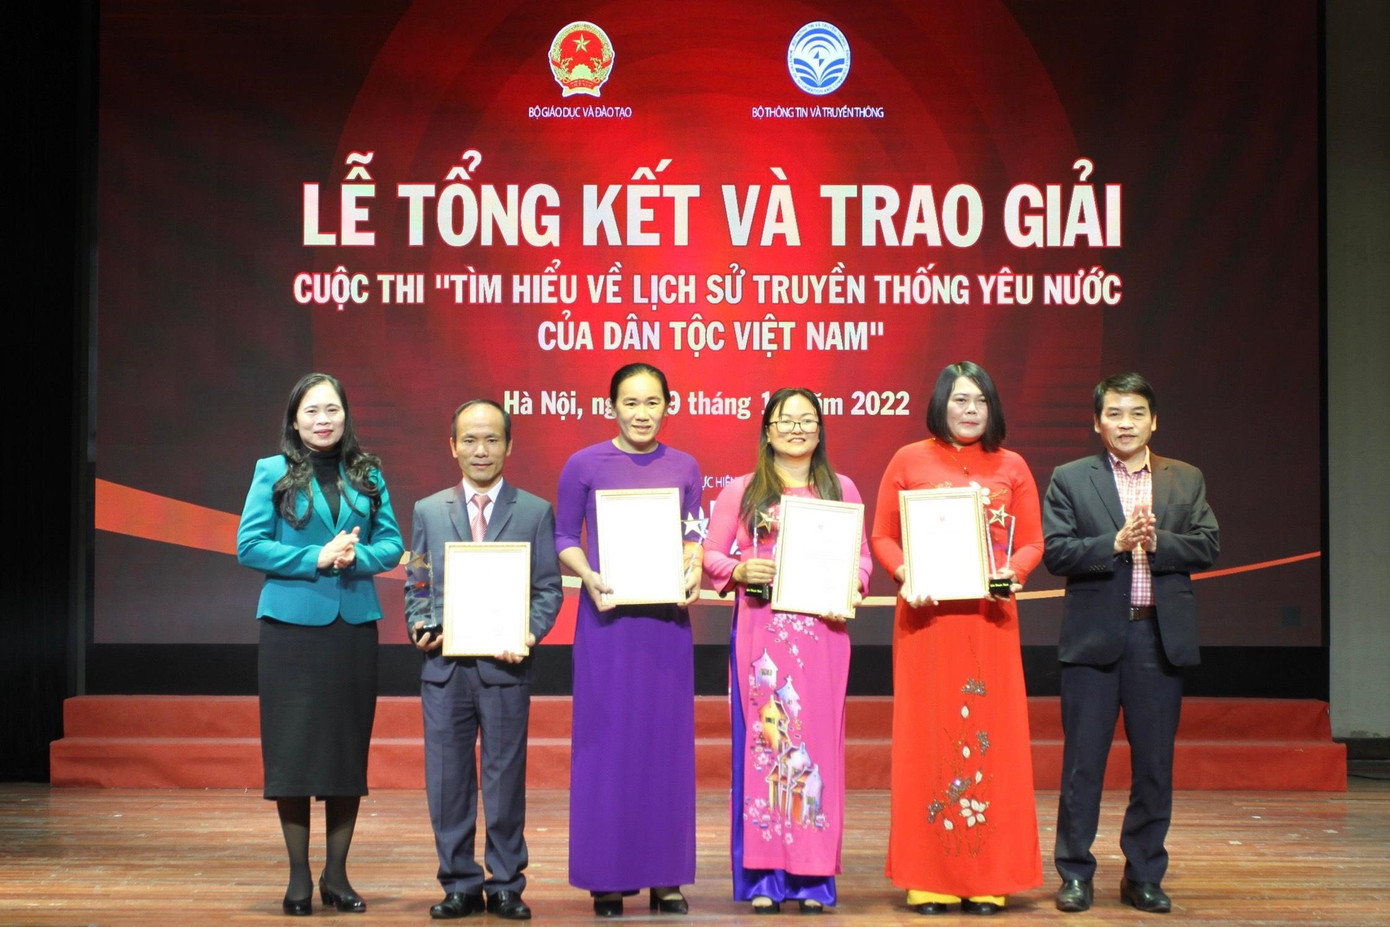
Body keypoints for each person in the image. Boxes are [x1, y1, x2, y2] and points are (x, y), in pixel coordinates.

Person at [870, 361, 1044, 916]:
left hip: (988, 621)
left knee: (991, 741)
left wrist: (1013, 571)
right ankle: (929, 876)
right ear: (940, 403)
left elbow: (1032, 542)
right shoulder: (907, 459)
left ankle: (988, 874)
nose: (970, 410)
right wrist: (904, 572)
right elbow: (882, 536)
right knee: (927, 739)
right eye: (960, 400)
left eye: (981, 401)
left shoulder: (1013, 465)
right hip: (927, 620)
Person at [1043, 373, 1219, 915]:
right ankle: (1075, 873)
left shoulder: (1184, 478)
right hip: (1093, 641)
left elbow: (1207, 545)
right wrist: (1114, 543)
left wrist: (1158, 541)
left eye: (1137, 413)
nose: (1126, 423)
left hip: (1157, 638)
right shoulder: (1071, 478)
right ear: (1097, 423)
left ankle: (1143, 874)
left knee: (1154, 766)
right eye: (1114, 414)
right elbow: (1056, 553)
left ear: (1154, 421)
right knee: (1083, 765)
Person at [236, 372, 403, 916]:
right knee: (292, 752)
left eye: (332, 409)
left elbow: (392, 543)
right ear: (294, 419)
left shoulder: (367, 472)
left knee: (345, 751)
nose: (323, 420)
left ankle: (337, 874)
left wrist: (358, 556)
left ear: (345, 415)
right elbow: (249, 545)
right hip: (289, 630)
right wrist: (315, 557)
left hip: (352, 627)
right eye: (311, 411)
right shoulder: (272, 471)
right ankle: (298, 877)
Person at [702, 387, 873, 915]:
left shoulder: (840, 487)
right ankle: (765, 877)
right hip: (762, 637)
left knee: (815, 751)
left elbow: (863, 559)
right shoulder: (741, 490)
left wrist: (854, 584)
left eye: (806, 420)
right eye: (785, 420)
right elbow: (710, 554)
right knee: (767, 747)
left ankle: (812, 879)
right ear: (767, 430)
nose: (796, 429)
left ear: (820, 430)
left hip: (822, 635)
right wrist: (739, 569)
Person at [555, 362, 704, 917]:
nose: (642, 414)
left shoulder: (685, 466)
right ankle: (608, 878)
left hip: (665, 625)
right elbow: (564, 536)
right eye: (631, 402)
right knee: (608, 748)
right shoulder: (584, 464)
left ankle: (666, 877)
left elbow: (693, 536)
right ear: (611, 406)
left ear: (669, 405)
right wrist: (587, 575)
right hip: (608, 623)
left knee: (665, 747)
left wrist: (692, 568)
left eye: (652, 402)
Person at [406, 400, 563, 921]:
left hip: (506, 666)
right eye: (470, 440)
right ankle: (459, 883)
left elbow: (547, 589)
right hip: (445, 669)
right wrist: (420, 624)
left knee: (504, 780)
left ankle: (506, 884)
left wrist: (528, 632)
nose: (481, 450)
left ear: (509, 446)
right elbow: (419, 581)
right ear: (453, 446)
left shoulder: (534, 511)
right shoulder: (429, 510)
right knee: (447, 781)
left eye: (492, 439)